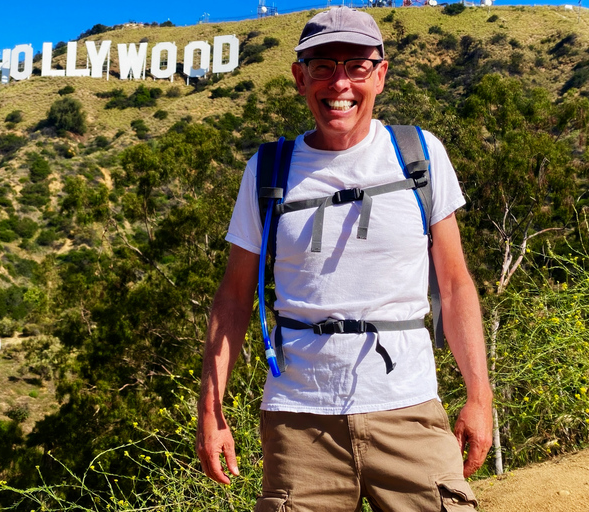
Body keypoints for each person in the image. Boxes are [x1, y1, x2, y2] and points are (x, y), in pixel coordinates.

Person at [197, 7, 493, 511]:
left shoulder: (420, 154)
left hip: (409, 409)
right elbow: (234, 295)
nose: (340, 83)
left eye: (357, 67)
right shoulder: (266, 169)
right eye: (322, 66)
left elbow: (455, 283)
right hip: (298, 423)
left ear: (380, 75)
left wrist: (479, 398)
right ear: (299, 77)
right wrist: (210, 409)